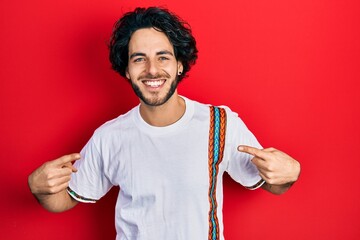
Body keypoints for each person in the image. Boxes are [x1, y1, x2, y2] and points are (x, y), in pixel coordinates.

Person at [28, 6, 301, 240]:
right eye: (139, 59)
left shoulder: (220, 124)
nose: (152, 70)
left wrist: (291, 173)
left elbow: (272, 184)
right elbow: (65, 199)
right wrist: (39, 189)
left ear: (179, 64)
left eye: (163, 57)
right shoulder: (109, 137)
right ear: (127, 69)